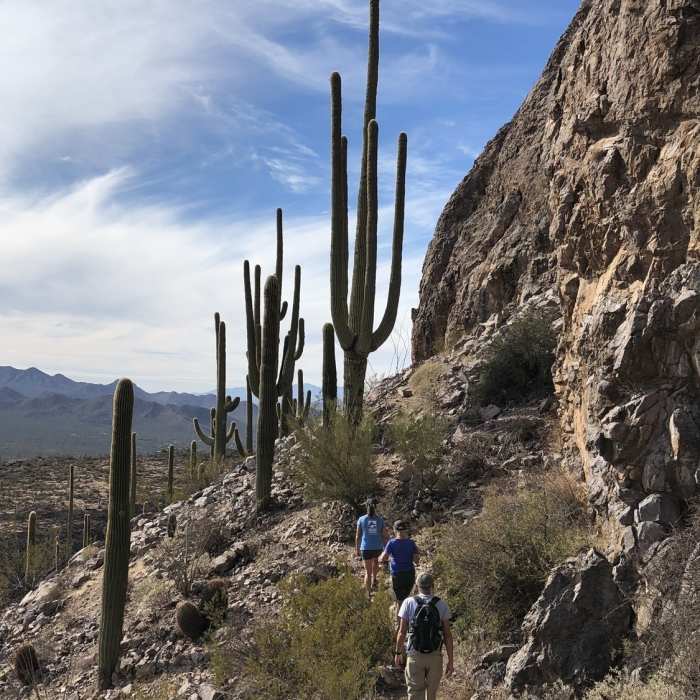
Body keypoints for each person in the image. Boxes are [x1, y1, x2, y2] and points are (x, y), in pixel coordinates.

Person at [394, 572, 454, 700]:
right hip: (435, 655)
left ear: (417, 585)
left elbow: (402, 632)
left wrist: (398, 653)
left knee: (415, 694)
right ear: (433, 585)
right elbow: (447, 635)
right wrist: (451, 661)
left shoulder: (408, 602)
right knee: (431, 695)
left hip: (414, 654)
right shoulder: (441, 604)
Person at [379, 520, 419, 606]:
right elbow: (416, 560)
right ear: (405, 530)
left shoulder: (391, 543)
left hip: (397, 574)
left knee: (400, 602)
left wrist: (382, 558)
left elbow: (383, 558)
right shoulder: (411, 543)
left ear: (395, 530)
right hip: (409, 573)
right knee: (408, 599)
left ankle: (399, 619)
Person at [355, 500, 388, 597]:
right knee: (375, 565)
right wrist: (387, 547)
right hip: (377, 548)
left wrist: (357, 548)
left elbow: (358, 536)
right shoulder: (380, 520)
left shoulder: (361, 519)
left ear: (366, 507)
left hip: (366, 548)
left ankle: (367, 593)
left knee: (367, 572)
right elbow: (384, 535)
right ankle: (374, 579)